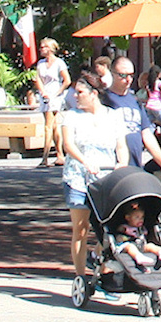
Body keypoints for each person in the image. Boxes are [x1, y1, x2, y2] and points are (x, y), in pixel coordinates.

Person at [57, 83, 127, 281]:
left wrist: (122, 163)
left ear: (93, 94)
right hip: (78, 177)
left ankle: (102, 268)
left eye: (80, 92)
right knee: (81, 228)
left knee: (108, 229)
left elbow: (121, 145)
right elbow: (68, 144)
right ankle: (80, 275)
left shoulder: (113, 115)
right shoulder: (72, 116)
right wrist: (85, 161)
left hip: (105, 178)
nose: (75, 96)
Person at [109, 200, 161, 278]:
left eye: (142, 217)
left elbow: (145, 235)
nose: (140, 220)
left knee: (150, 245)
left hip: (140, 245)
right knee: (131, 247)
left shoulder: (141, 228)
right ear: (128, 218)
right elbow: (119, 233)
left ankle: (160, 252)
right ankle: (138, 256)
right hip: (124, 247)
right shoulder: (125, 227)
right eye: (137, 217)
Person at [33, 38, 69, 168]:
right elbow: (38, 79)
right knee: (54, 126)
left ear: (50, 49)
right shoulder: (41, 63)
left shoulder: (59, 63)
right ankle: (60, 154)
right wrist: (43, 92)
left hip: (55, 94)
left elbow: (67, 80)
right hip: (45, 94)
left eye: (43, 47)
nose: (41, 49)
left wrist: (57, 93)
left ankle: (45, 156)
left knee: (48, 126)